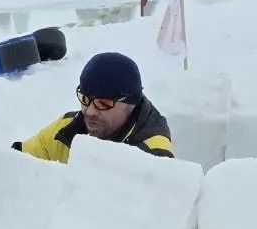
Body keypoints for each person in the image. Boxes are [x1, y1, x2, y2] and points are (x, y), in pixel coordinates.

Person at [13, 53, 173, 163]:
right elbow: (19, 163)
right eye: (85, 99)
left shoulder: (154, 154)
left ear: (130, 104)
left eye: (103, 104)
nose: (89, 112)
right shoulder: (65, 130)